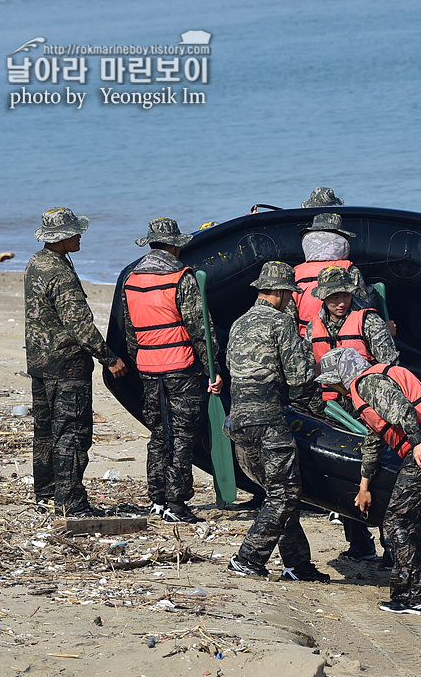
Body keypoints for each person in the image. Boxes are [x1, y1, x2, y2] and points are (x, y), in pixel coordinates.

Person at [317, 348, 421, 614]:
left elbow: (402, 408)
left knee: (398, 523)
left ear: (342, 375)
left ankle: (412, 598)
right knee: (407, 524)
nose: (332, 387)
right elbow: (373, 440)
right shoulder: (367, 387)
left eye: (332, 380)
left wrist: (416, 443)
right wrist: (364, 486)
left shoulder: (367, 382)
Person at [225, 261, 330, 583]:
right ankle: (248, 557)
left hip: (237, 418)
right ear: (284, 292)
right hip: (268, 418)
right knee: (284, 494)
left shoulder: (239, 322)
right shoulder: (281, 322)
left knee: (278, 493)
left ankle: (297, 565)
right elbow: (299, 376)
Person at [25, 207, 128, 517]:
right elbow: (78, 324)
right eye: (74, 232)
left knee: (45, 432)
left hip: (40, 362)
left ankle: (45, 495)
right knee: (72, 433)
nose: (80, 235)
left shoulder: (36, 263)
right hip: (67, 364)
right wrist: (110, 358)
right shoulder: (59, 271)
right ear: (61, 238)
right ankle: (72, 504)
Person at [123, 217, 223, 523]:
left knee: (158, 433)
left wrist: (138, 361)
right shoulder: (181, 276)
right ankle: (177, 504)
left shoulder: (131, 278)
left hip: (147, 367)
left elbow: (130, 333)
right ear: (172, 245)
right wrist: (213, 369)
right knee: (182, 434)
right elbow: (199, 327)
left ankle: (157, 499)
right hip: (180, 366)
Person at [308, 265, 399, 562]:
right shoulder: (313, 327)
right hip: (333, 407)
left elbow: (389, 364)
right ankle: (359, 542)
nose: (340, 301)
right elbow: (311, 368)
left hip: (369, 404)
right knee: (344, 476)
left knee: (380, 474)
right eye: (333, 296)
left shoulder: (368, 321)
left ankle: (392, 547)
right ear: (323, 297)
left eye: (344, 295)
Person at [291, 213, 372, 337]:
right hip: (345, 337)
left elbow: (290, 314)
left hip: (307, 337)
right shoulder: (349, 270)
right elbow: (363, 306)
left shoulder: (296, 273)